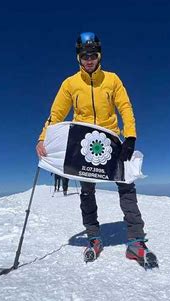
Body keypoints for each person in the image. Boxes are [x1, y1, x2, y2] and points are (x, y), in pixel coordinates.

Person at [35, 32, 157, 268]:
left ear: (99, 56)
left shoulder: (112, 79)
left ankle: (136, 242)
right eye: (84, 56)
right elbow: (56, 114)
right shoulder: (70, 84)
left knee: (126, 187)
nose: (89, 59)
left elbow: (125, 106)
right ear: (78, 58)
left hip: (112, 140)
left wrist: (130, 136)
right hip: (82, 144)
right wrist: (43, 139)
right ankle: (94, 237)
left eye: (93, 55)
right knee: (87, 192)